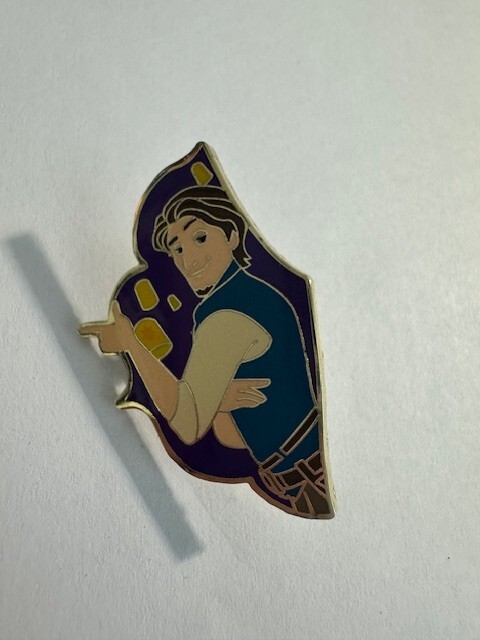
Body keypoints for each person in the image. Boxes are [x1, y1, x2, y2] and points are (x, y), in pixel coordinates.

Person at [80, 185, 332, 517]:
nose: (189, 260)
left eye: (200, 238)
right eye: (177, 249)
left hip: (304, 482)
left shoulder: (224, 314)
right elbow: (232, 437)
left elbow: (187, 425)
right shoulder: (258, 292)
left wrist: (131, 344)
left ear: (231, 235)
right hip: (297, 479)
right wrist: (218, 401)